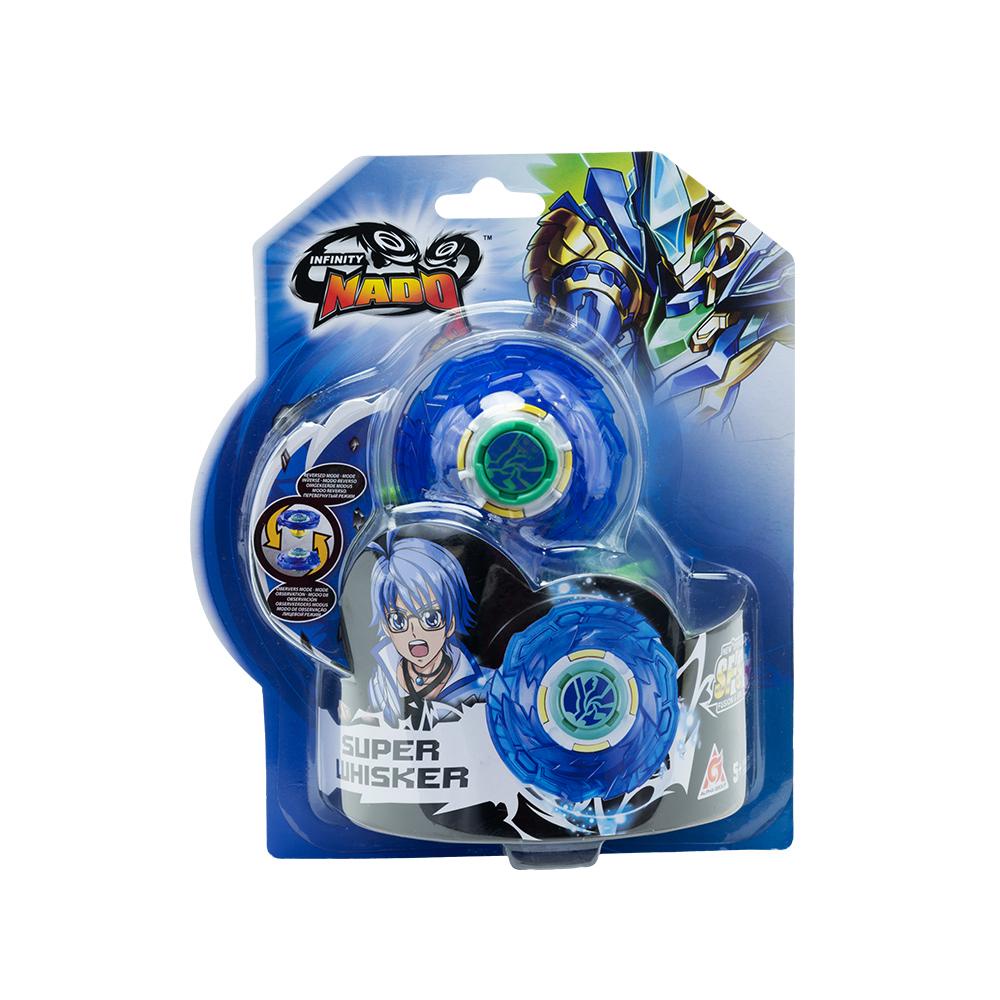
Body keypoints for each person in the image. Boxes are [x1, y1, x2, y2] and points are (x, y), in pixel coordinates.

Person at [367, 533, 486, 728]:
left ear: (450, 623)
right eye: (399, 621)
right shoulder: (379, 683)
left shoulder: (485, 685)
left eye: (430, 619)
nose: (415, 633)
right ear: (386, 627)